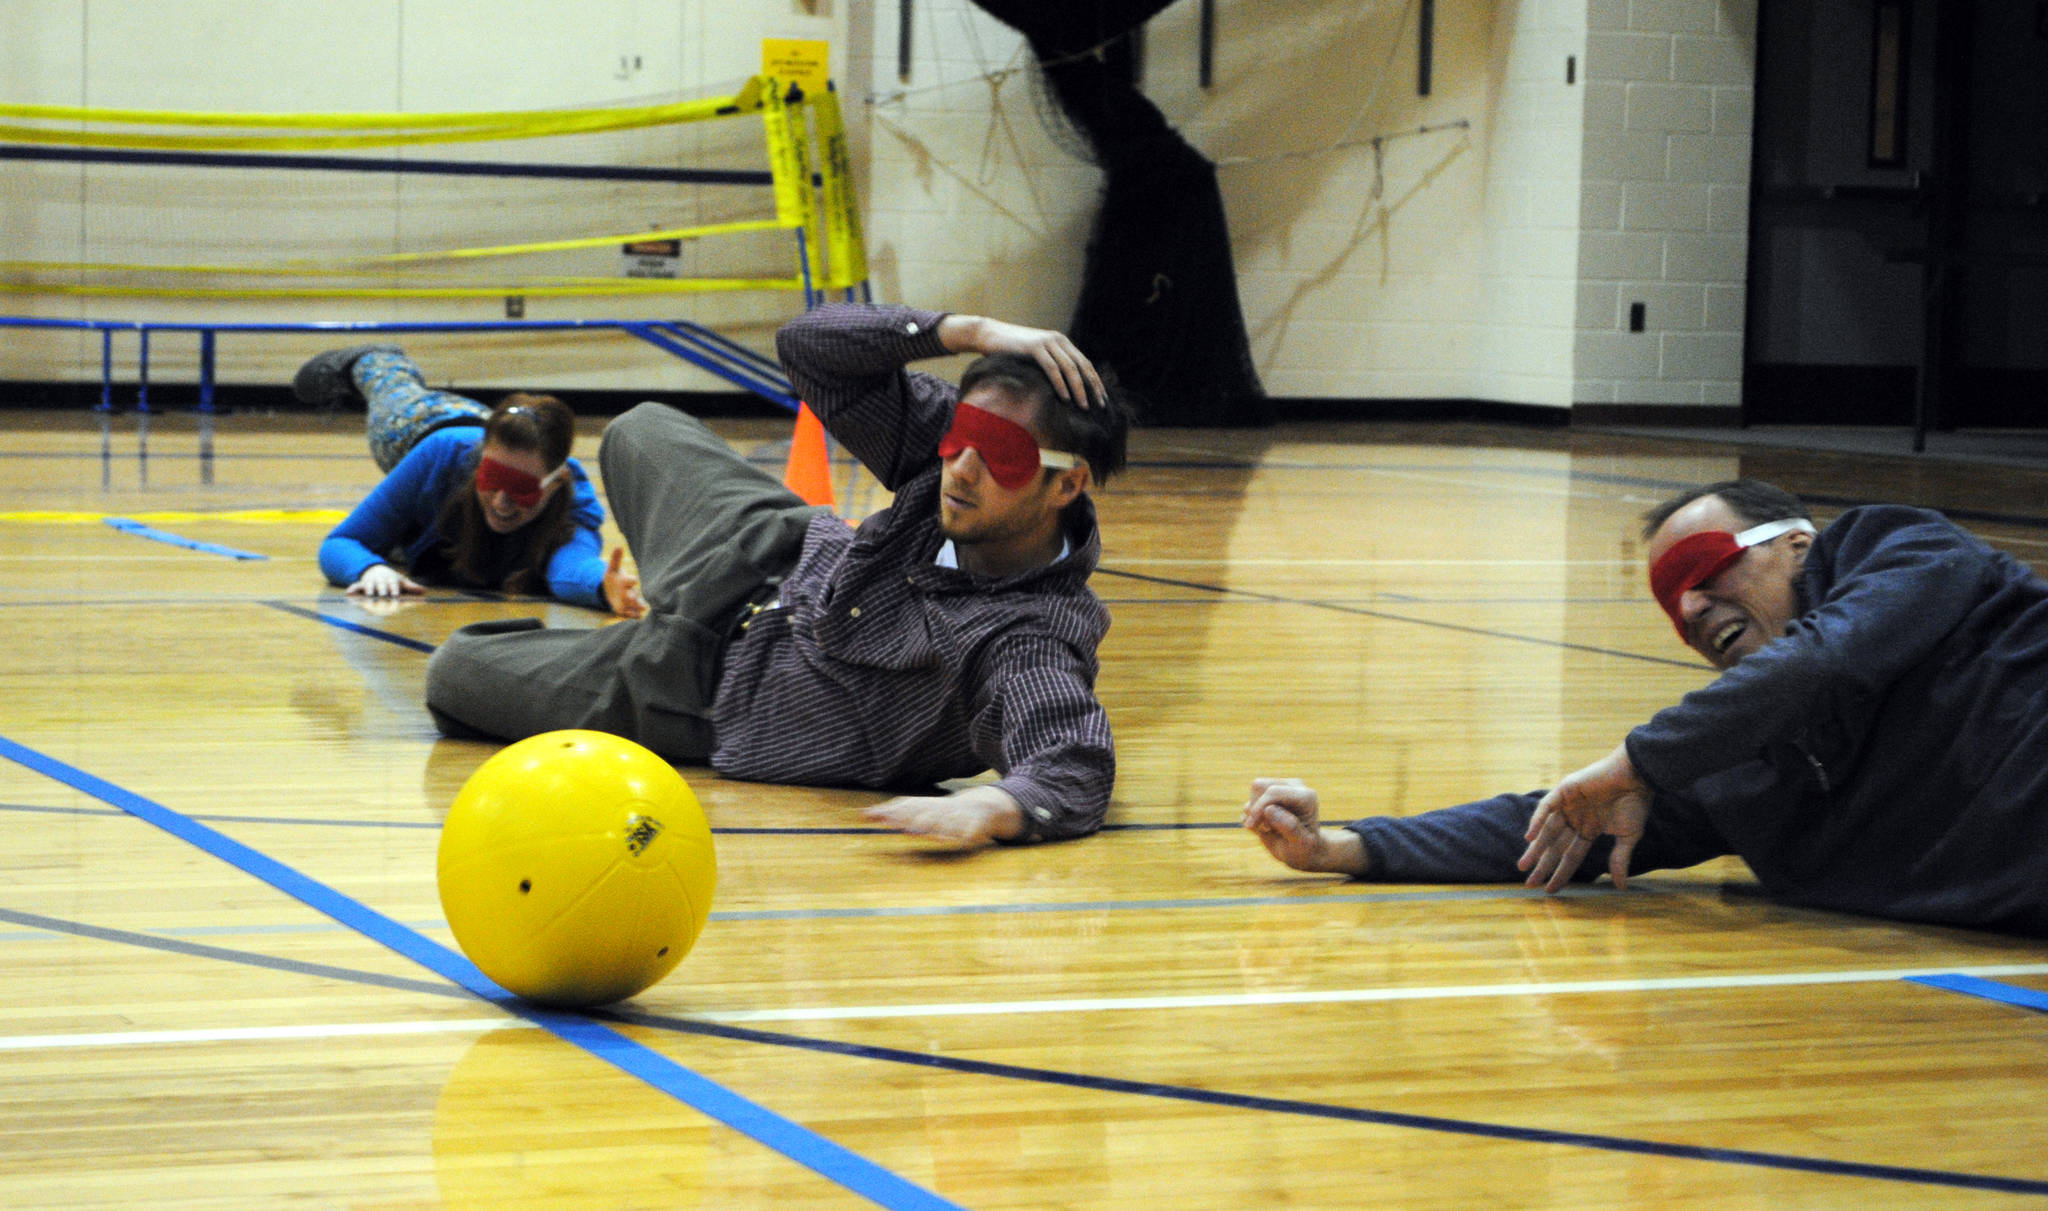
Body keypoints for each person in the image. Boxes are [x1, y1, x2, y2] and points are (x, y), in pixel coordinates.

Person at [422, 302, 1134, 847]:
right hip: (767, 545)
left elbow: (1069, 759)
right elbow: (809, 351)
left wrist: (994, 805)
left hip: (701, 680)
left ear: (1066, 487)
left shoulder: (1025, 636)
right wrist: (968, 330)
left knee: (456, 669)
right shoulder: (948, 462)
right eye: (960, 438)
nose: (962, 469)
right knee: (639, 427)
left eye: (1001, 454)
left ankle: (616, 629)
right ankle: (640, 592)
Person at [1244, 478, 2048, 936]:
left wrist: (1639, 759)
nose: (1692, 607)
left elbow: (1828, 658)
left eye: (1706, 567)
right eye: (1671, 602)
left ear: (1799, 544)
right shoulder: (1738, 762)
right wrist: (1345, 847)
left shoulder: (1900, 547)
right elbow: (1561, 821)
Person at [300, 346, 645, 617]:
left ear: (556, 485)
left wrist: (602, 585)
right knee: (392, 390)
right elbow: (341, 542)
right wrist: (368, 569)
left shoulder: (574, 501)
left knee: (404, 544)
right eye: (492, 480)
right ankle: (375, 358)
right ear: (480, 463)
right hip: (419, 427)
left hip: (486, 438)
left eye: (522, 489)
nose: (500, 502)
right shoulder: (440, 456)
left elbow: (569, 566)